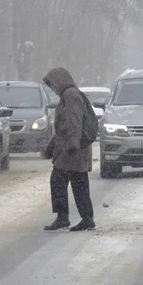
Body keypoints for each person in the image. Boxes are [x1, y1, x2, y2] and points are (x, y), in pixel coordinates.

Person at [42, 67, 95, 232]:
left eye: (53, 84)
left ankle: (66, 218)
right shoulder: (68, 95)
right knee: (77, 183)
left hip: (72, 149)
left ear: (60, 81)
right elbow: (63, 127)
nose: (53, 88)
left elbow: (74, 120)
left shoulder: (70, 95)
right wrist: (52, 146)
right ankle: (83, 218)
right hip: (71, 147)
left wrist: (72, 144)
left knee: (62, 181)